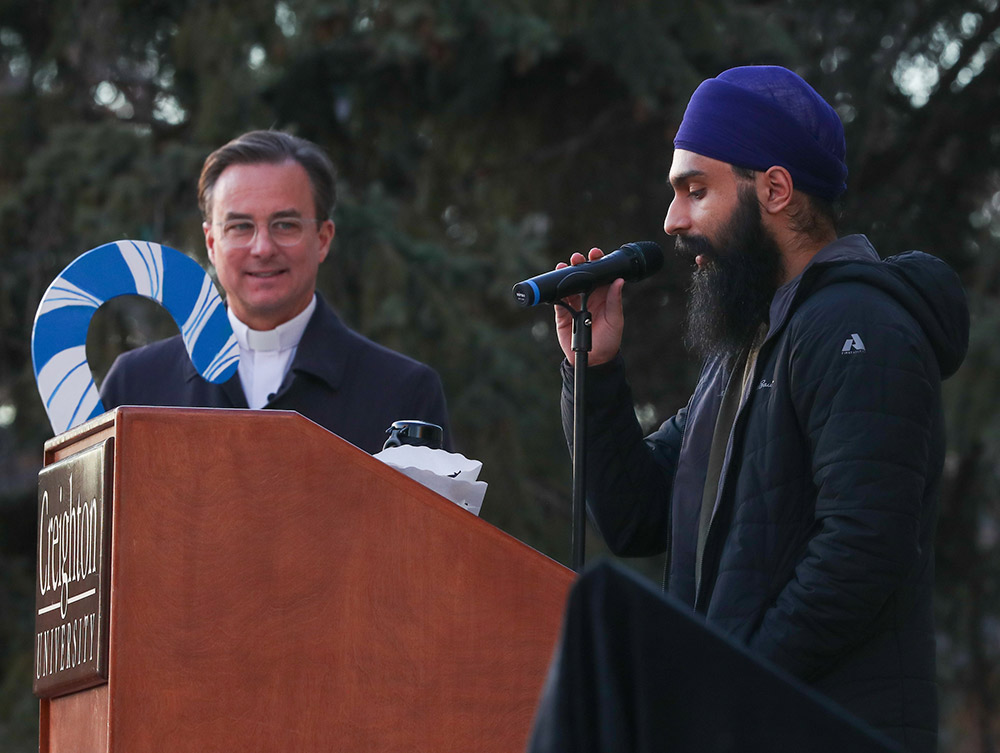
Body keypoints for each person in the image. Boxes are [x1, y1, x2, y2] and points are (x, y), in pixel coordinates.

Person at [543, 66, 968, 752]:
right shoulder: (750, 346)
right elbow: (635, 513)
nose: (672, 219)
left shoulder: (858, 324)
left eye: (695, 189)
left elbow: (859, 552)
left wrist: (728, 682)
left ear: (774, 188)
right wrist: (593, 370)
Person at [100, 130, 450, 454]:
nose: (262, 248)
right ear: (211, 242)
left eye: (285, 225)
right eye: (240, 227)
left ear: (323, 239)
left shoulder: (401, 392)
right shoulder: (135, 387)